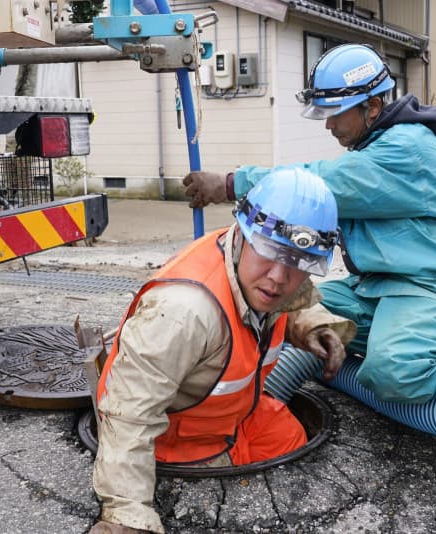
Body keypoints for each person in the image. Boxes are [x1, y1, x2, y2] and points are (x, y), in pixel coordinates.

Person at [183, 43, 436, 406]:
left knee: (392, 371)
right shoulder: (375, 149)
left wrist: (230, 183)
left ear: (372, 107)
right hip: (384, 290)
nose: (329, 123)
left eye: (335, 112)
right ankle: (255, 394)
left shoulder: (405, 150)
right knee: (284, 305)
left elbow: (318, 185)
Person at [90, 168, 356, 534]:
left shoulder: (255, 270)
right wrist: (126, 512)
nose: (279, 278)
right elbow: (128, 414)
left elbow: (291, 299)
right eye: (269, 252)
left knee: (293, 441)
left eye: (296, 261)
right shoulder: (184, 313)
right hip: (180, 440)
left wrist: (313, 325)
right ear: (243, 235)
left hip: (237, 417)